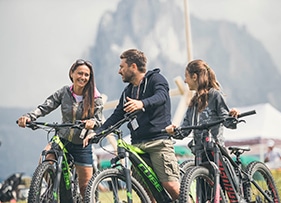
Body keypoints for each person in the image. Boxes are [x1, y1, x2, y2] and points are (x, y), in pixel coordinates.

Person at [83, 48, 180, 202]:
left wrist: (142, 103)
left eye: (122, 67)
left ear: (133, 66)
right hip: (137, 146)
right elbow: (117, 115)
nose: (119, 71)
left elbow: (161, 96)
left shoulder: (156, 79)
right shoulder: (128, 91)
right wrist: (99, 132)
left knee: (171, 185)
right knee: (146, 193)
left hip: (158, 142)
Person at [17, 59, 103, 199]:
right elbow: (46, 106)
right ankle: (56, 190)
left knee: (85, 188)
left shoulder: (95, 97)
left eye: (87, 75)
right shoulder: (64, 92)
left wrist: (92, 122)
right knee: (45, 159)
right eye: (80, 73)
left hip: (82, 144)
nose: (83, 77)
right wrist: (29, 117)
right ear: (72, 73)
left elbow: (99, 120)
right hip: (62, 139)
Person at [165, 59, 238, 149]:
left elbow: (228, 123)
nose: (185, 81)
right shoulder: (193, 102)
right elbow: (185, 130)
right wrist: (173, 131)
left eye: (186, 76)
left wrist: (233, 115)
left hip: (216, 149)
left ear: (194, 77)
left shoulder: (215, 95)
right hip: (199, 151)